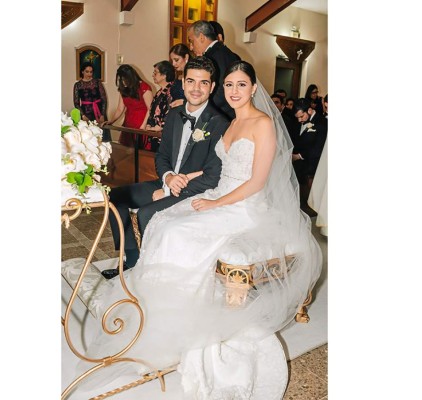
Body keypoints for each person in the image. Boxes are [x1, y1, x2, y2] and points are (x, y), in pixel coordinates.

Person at [74, 60, 322, 399]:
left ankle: (179, 322)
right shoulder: (233, 123)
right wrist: (191, 185)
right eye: (230, 85)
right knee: (163, 222)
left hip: (246, 206)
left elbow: (257, 182)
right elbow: (218, 171)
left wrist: (216, 204)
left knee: (179, 233)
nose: (234, 91)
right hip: (219, 194)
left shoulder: (262, 124)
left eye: (241, 85)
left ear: (253, 88)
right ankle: (154, 308)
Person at [101, 56, 230, 279]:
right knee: (115, 197)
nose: (196, 89)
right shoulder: (174, 115)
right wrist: (168, 177)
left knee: (147, 212)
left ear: (213, 87)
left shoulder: (221, 123)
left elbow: (213, 176)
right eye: (191, 81)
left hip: (195, 191)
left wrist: (171, 190)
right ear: (182, 82)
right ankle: (132, 261)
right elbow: (161, 156)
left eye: (203, 83)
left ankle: (152, 272)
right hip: (168, 181)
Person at [187, 19, 241, 121]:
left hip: (220, 116)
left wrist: (198, 106)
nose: (191, 47)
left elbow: (221, 90)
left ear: (202, 37)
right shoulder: (226, 52)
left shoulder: (213, 57)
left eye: (191, 41)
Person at [291, 98, 327, 216]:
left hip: (313, 165)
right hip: (301, 166)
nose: (299, 120)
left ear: (310, 110)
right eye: (297, 117)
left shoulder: (322, 122)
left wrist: (299, 156)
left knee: (312, 195)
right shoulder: (300, 121)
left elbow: (319, 147)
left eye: (301, 116)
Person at [106, 64, 153, 149]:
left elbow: (150, 109)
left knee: (140, 151)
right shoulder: (123, 89)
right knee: (127, 152)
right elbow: (120, 109)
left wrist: (143, 126)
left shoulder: (144, 87)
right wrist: (111, 121)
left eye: (124, 79)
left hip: (141, 121)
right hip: (129, 122)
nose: (123, 82)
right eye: (121, 80)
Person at [73, 62, 109, 141]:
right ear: (82, 71)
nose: (89, 74)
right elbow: (76, 103)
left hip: (99, 111)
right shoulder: (78, 85)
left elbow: (104, 99)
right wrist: (82, 115)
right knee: (88, 138)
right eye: (87, 71)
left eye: (91, 72)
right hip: (86, 113)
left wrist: (103, 114)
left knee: (102, 137)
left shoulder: (97, 82)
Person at [145, 60, 175, 151]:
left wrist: (160, 126)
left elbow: (171, 111)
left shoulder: (172, 90)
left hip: (165, 136)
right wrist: (149, 125)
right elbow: (152, 110)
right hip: (154, 134)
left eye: (155, 72)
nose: (153, 75)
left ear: (164, 75)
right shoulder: (159, 92)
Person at [168, 43, 190, 108]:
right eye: (172, 60)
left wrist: (184, 102)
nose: (173, 64)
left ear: (186, 57)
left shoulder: (193, 76)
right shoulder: (179, 76)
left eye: (176, 60)